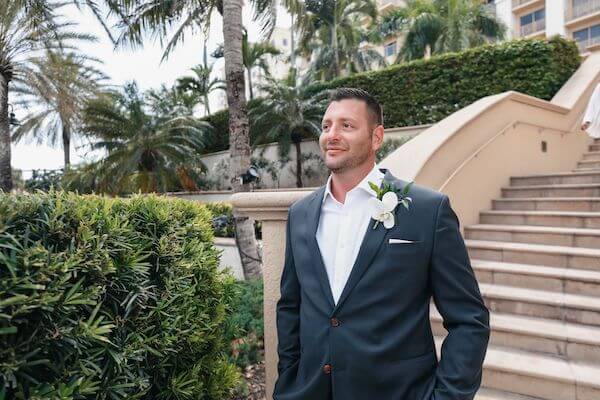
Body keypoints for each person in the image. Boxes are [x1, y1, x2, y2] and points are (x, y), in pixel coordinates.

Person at [273, 87, 490, 400]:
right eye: (326, 125)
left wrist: (448, 396)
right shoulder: (301, 214)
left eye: (347, 126)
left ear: (376, 138)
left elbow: (469, 320)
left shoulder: (427, 210)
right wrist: (289, 380)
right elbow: (291, 306)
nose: (332, 135)